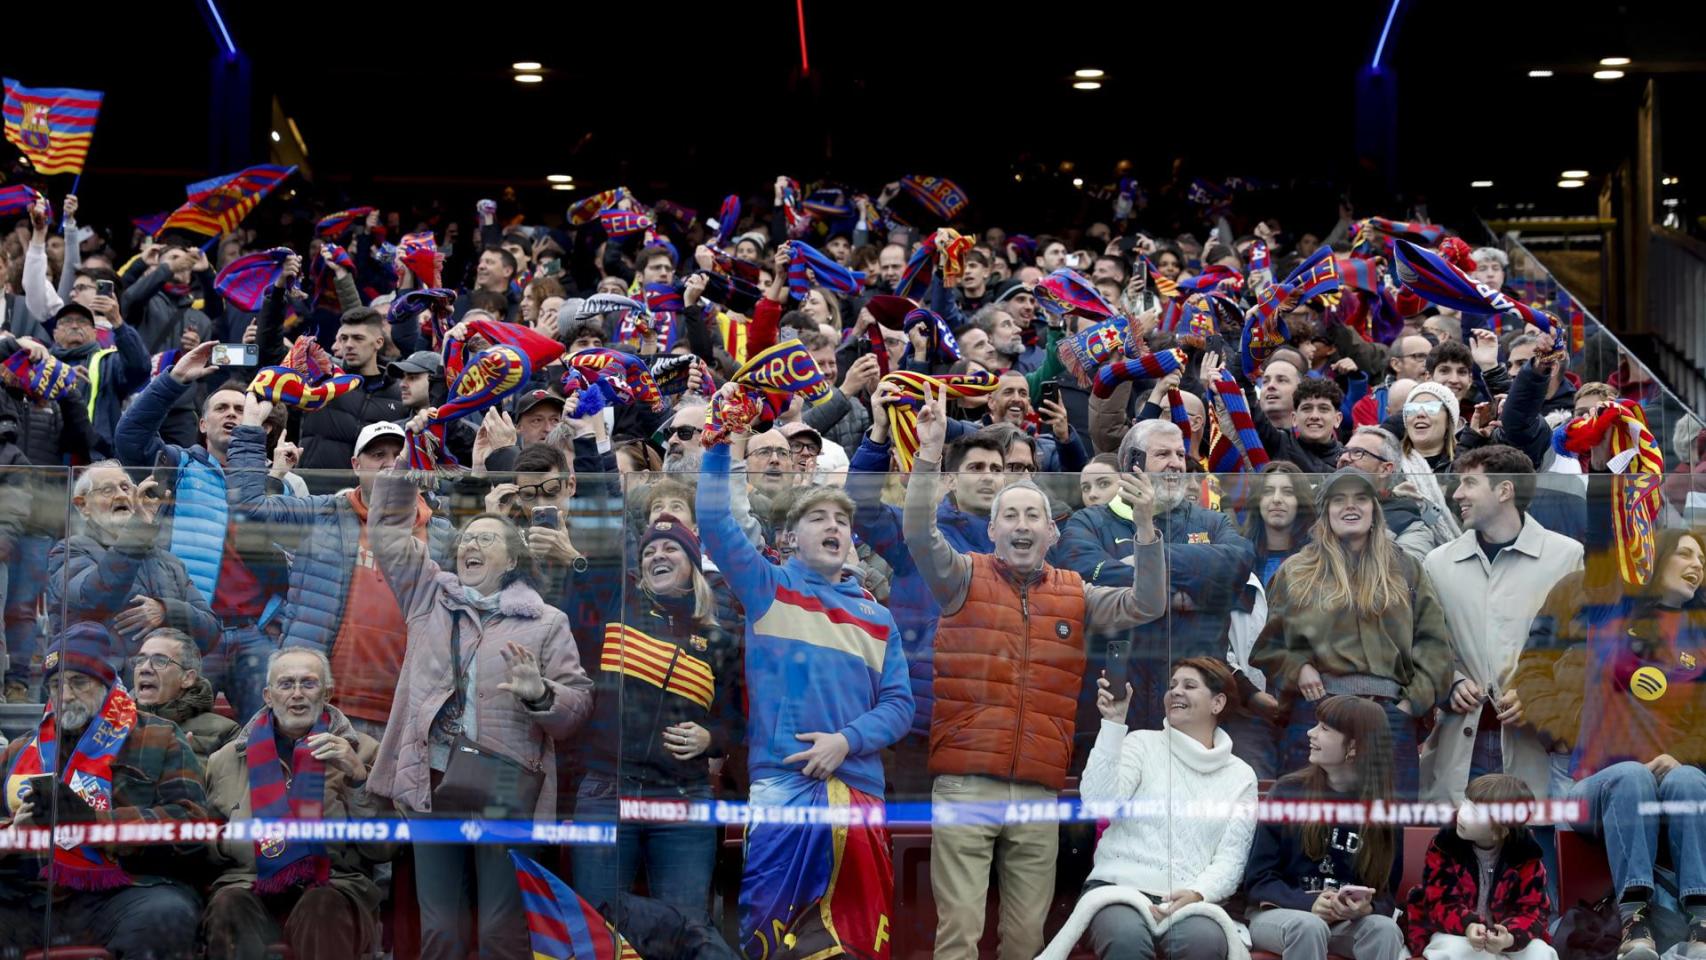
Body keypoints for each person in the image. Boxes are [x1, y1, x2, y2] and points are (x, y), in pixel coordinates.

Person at [903, 382, 1168, 960]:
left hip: (1040, 790)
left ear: (1052, 533)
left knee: (1027, 941)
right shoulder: (963, 576)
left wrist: (1147, 528)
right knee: (959, 936)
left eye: (1033, 515)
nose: (1021, 524)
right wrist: (927, 457)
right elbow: (918, 536)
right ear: (993, 528)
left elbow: (1146, 604)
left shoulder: (1075, 591)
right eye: (1010, 515)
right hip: (967, 781)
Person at [696, 394, 912, 960]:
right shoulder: (768, 587)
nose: (834, 526)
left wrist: (847, 741)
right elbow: (715, 521)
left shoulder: (878, 615)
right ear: (791, 537)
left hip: (859, 790)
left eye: (841, 520)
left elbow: (898, 705)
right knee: (773, 941)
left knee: (858, 944)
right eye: (818, 517)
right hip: (783, 789)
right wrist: (720, 445)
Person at [365, 468, 593, 960]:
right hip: (431, 782)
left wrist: (540, 695)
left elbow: (576, 706)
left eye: (486, 538)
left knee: (499, 932)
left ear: (511, 559)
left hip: (506, 792)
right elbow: (386, 531)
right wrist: (403, 473)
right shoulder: (429, 596)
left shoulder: (546, 622)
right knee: (441, 931)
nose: (472, 543)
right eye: (467, 537)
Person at [1518, 525, 1706, 960]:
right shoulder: (1610, 614)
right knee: (1631, 775)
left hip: (1673, 791)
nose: (1697, 564)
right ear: (1652, 559)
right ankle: (1633, 920)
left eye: (1702, 559)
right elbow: (1611, 549)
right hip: (1596, 786)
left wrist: (1682, 757)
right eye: (1685, 554)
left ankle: (1700, 920)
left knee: (1692, 781)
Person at [228, 404, 455, 740]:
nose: (390, 463)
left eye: (399, 454)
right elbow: (249, 509)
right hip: (319, 704)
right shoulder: (323, 512)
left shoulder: (442, 535)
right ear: (355, 465)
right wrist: (249, 429)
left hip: (405, 710)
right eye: (377, 454)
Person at [0, 623, 207, 959]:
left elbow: (192, 826)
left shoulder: (158, 736)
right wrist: (14, 834)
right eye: (55, 684)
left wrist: (96, 823)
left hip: (122, 893)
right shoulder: (22, 749)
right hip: (31, 896)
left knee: (167, 915)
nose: (65, 695)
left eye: (78, 682)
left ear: (107, 682)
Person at [572, 514, 739, 920]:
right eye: (649, 551)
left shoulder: (719, 639)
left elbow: (735, 725)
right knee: (596, 927)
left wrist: (710, 739)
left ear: (694, 565)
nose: (656, 556)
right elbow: (605, 518)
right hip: (606, 791)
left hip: (682, 796)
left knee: (685, 930)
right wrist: (596, 446)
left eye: (669, 548)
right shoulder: (620, 603)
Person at [1251, 468, 1453, 799]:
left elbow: (1434, 646)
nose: (1351, 507)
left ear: (1375, 508)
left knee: (1388, 832)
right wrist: (1298, 668)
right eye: (1339, 500)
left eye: (1361, 498)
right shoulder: (1297, 570)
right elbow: (1269, 647)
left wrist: (1408, 706)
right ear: (1325, 511)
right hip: (1316, 714)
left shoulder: (1406, 568)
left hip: (1389, 715)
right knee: (1309, 829)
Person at [117, 342, 290, 724]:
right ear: (202, 424)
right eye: (221, 408)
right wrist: (175, 379)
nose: (231, 414)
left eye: (240, 409)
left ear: (258, 424)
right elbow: (130, 437)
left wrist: (279, 621)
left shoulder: (282, 483)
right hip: (191, 630)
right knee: (168, 732)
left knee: (268, 738)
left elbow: (302, 564)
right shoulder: (179, 467)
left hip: (255, 634)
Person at [1042, 658, 1259, 960]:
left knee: (1205, 944)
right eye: (1172, 686)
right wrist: (1114, 725)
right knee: (1126, 940)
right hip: (1118, 891)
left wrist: (1198, 893)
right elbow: (1098, 804)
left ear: (1218, 703)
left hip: (1189, 901)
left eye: (1189, 686)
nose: (1176, 692)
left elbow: (1231, 858)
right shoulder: (1140, 744)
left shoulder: (1242, 776)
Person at [1058, 418, 1256, 734]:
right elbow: (1083, 575)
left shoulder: (1212, 523)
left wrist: (1149, 561)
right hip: (1114, 704)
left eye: (1180, 454)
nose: (1176, 464)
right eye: (1163, 454)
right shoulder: (1088, 522)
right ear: (1130, 466)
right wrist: (1195, 586)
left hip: (1194, 705)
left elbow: (1238, 564)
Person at [202, 647, 390, 960]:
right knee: (228, 905)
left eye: (309, 684)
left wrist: (358, 779)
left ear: (327, 693)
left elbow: (385, 849)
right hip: (249, 880)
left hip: (336, 882)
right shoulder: (226, 759)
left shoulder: (365, 751)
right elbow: (205, 840)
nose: (297, 694)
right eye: (286, 684)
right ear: (267, 695)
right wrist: (231, 841)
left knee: (322, 905)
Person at [1419, 446, 1582, 804]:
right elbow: (1427, 641)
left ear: (1505, 490)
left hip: (1538, 744)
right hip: (1460, 742)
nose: (1457, 494)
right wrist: (1451, 678)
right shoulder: (1437, 563)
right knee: (1458, 851)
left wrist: (1539, 694)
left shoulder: (1568, 556)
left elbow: (1580, 649)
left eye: (1469, 483)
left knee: (1534, 854)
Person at [1242, 695, 1405, 960]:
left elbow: (1386, 894)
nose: (1311, 733)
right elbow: (1258, 880)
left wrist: (1365, 908)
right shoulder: (1288, 792)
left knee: (1385, 930)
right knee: (1309, 926)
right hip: (1280, 914)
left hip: (1345, 923)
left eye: (1325, 729)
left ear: (1355, 746)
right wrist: (1309, 903)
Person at [48, 460, 220, 650]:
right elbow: (92, 597)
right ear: (82, 505)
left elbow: (211, 632)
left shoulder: (171, 563)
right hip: (103, 677)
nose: (121, 495)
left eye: (125, 488)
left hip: (161, 675)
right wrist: (138, 531)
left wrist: (166, 611)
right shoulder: (68, 551)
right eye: (107, 490)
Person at [1403, 773, 1556, 960]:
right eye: (1465, 802)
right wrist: (1468, 925)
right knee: (1456, 951)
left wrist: (1509, 937)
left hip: (1506, 937)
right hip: (1456, 932)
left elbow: (1534, 912)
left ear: (1501, 830)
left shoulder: (1526, 856)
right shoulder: (1445, 845)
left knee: (1541, 952)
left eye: (1475, 812)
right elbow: (1439, 902)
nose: (1462, 813)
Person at [1337, 425, 1456, 563]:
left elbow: (1402, 577)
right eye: (1343, 451)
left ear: (1385, 469)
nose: (1344, 458)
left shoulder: (1412, 528)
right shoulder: (1315, 506)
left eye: (1358, 452)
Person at [131, 626, 239, 763]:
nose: (145, 668)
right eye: (140, 660)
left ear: (187, 678)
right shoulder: (112, 723)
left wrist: (184, 767)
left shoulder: (225, 732)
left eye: (160, 661)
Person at [1243, 463, 1315, 589]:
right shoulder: (1240, 556)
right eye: (1267, 491)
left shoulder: (1316, 558)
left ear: (1301, 501)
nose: (1276, 499)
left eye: (1288, 492)